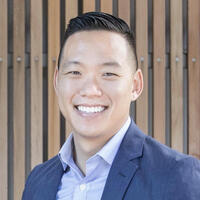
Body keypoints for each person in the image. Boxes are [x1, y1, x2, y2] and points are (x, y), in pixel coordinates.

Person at [22, 12, 200, 200]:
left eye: (108, 74)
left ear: (136, 85)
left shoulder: (179, 176)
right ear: (57, 81)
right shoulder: (38, 182)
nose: (90, 90)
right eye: (75, 72)